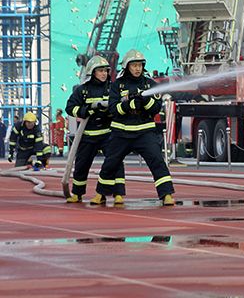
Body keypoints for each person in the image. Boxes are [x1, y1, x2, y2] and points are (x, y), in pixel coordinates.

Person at [91, 49, 175, 206]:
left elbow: (156, 108)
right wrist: (129, 104)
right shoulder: (117, 85)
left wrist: (145, 101)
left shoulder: (150, 84)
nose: (137, 69)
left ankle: (166, 194)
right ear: (127, 66)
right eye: (134, 65)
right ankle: (101, 194)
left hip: (144, 131)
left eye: (140, 65)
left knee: (157, 161)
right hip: (121, 132)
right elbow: (113, 109)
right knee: (111, 163)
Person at [65, 56, 127, 203]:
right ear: (92, 72)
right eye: (100, 71)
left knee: (115, 162)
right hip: (88, 134)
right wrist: (85, 111)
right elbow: (70, 107)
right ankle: (77, 193)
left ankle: (118, 194)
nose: (104, 74)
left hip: (108, 134)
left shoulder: (113, 88)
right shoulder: (83, 90)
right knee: (82, 164)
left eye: (105, 71)